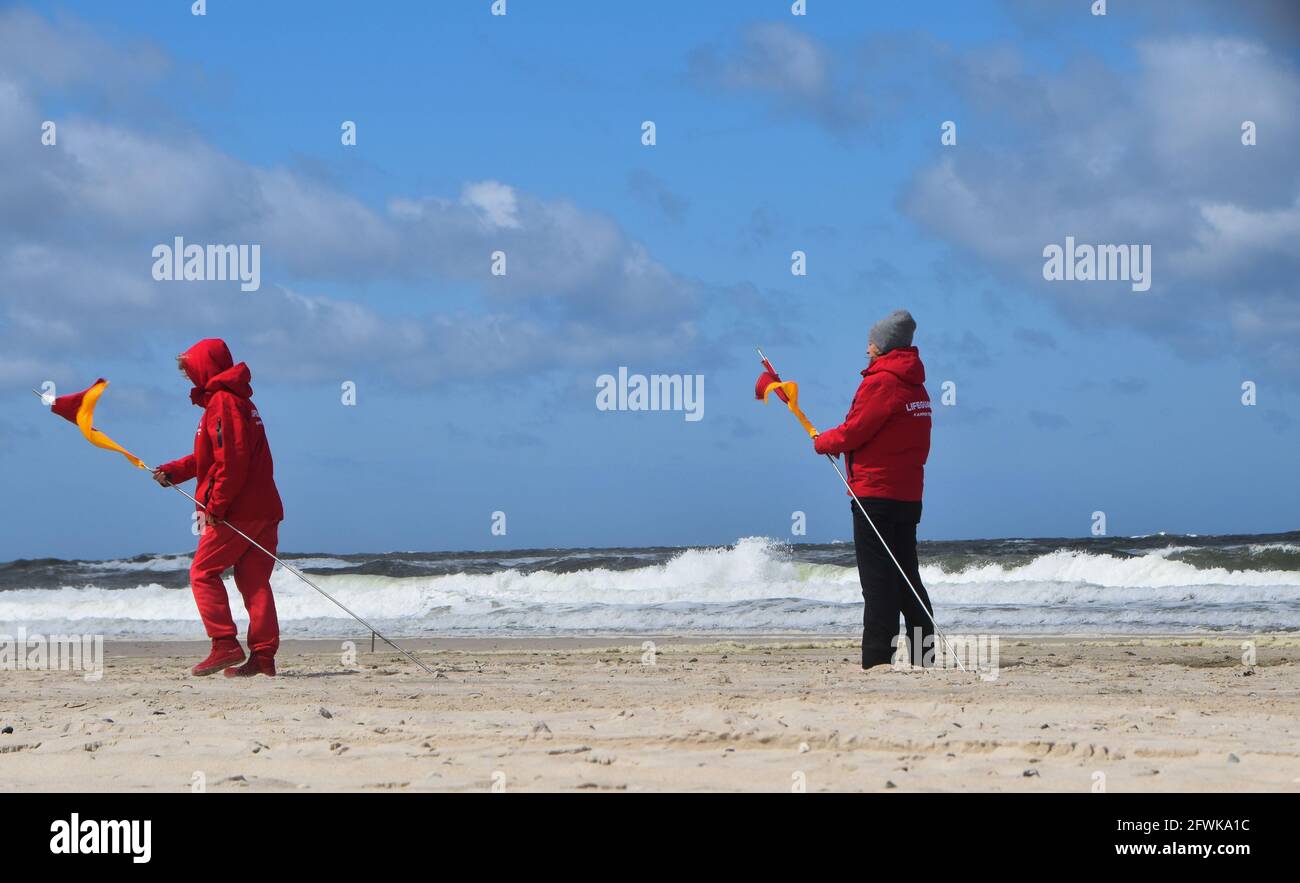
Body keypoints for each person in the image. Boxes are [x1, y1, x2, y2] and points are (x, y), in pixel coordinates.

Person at [153, 339, 284, 677]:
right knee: (254, 582)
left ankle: (224, 643)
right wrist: (175, 471)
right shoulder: (233, 401)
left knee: (202, 573)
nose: (189, 378)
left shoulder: (224, 403)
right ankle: (263, 658)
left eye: (191, 370)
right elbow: (212, 457)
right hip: (263, 507)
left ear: (205, 367)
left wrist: (217, 504)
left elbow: (233, 460)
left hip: (239, 509)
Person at [813, 310, 935, 669]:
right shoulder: (916, 384)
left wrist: (825, 441)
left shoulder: (882, 381)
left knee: (879, 581)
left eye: (872, 341)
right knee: (906, 577)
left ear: (883, 346)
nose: (867, 347)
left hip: (876, 495)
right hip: (907, 495)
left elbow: (856, 430)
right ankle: (923, 656)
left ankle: (877, 659)